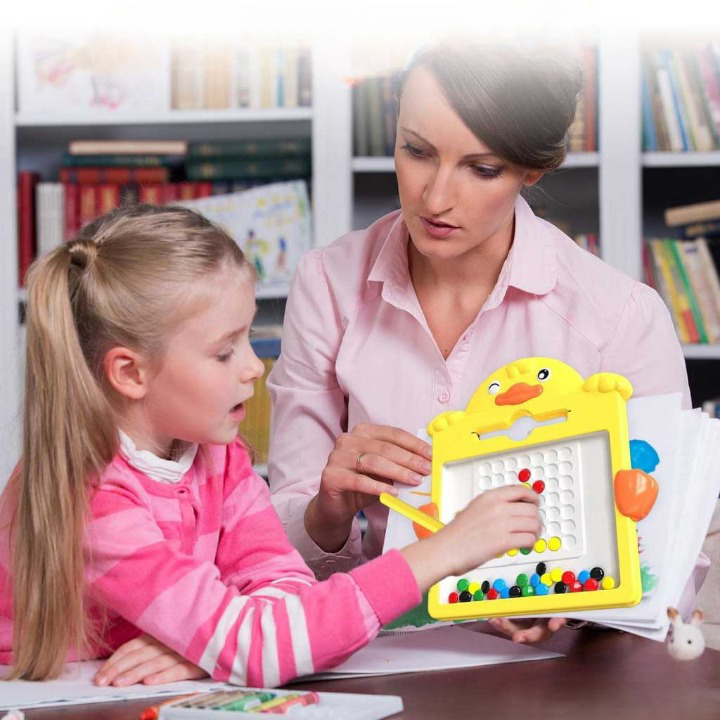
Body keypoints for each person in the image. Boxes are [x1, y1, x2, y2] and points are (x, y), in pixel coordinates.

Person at [267, 39, 702, 643]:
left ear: (533, 169)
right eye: (416, 151)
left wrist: (570, 607)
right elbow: (273, 552)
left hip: (556, 671)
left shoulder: (619, 316)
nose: (435, 197)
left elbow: (672, 561)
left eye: (482, 168)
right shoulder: (328, 283)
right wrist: (327, 510)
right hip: (371, 648)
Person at [0, 204, 543, 686]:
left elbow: (282, 583)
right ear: (130, 373)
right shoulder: (94, 499)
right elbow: (257, 646)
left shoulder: (218, 458)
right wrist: (441, 552)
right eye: (223, 352)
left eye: (248, 338)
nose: (254, 367)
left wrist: (217, 646)